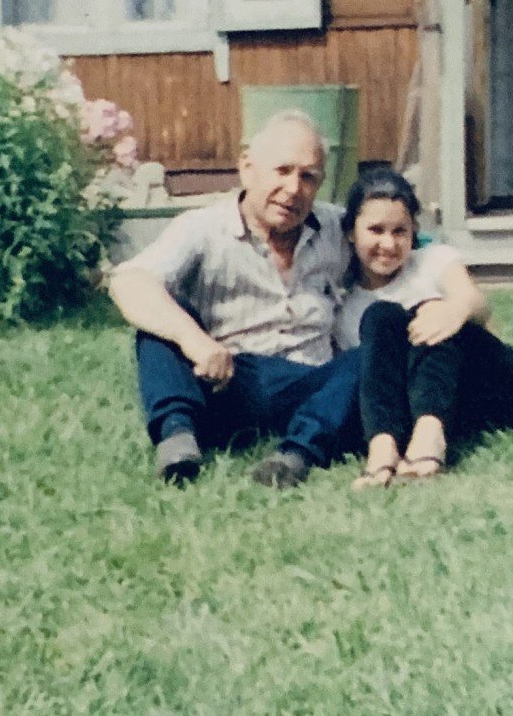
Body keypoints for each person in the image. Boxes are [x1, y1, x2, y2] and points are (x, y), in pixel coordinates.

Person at [107, 110, 363, 488]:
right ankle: (178, 438)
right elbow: (129, 281)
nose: (294, 189)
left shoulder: (336, 229)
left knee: (370, 356)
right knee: (161, 326)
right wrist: (194, 339)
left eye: (308, 177)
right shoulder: (203, 228)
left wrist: (456, 301)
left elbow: (405, 254)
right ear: (247, 167)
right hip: (229, 380)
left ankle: (296, 455)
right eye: (282, 170)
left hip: (310, 384)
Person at [337, 166, 513, 488]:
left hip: (499, 388)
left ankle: (430, 437)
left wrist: (454, 309)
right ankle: (383, 448)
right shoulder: (347, 307)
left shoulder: (433, 261)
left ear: (413, 231)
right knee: (380, 317)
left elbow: (476, 301)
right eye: (375, 230)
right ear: (351, 232)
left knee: (430, 309)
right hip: (438, 408)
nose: (388, 244)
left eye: (399, 231)